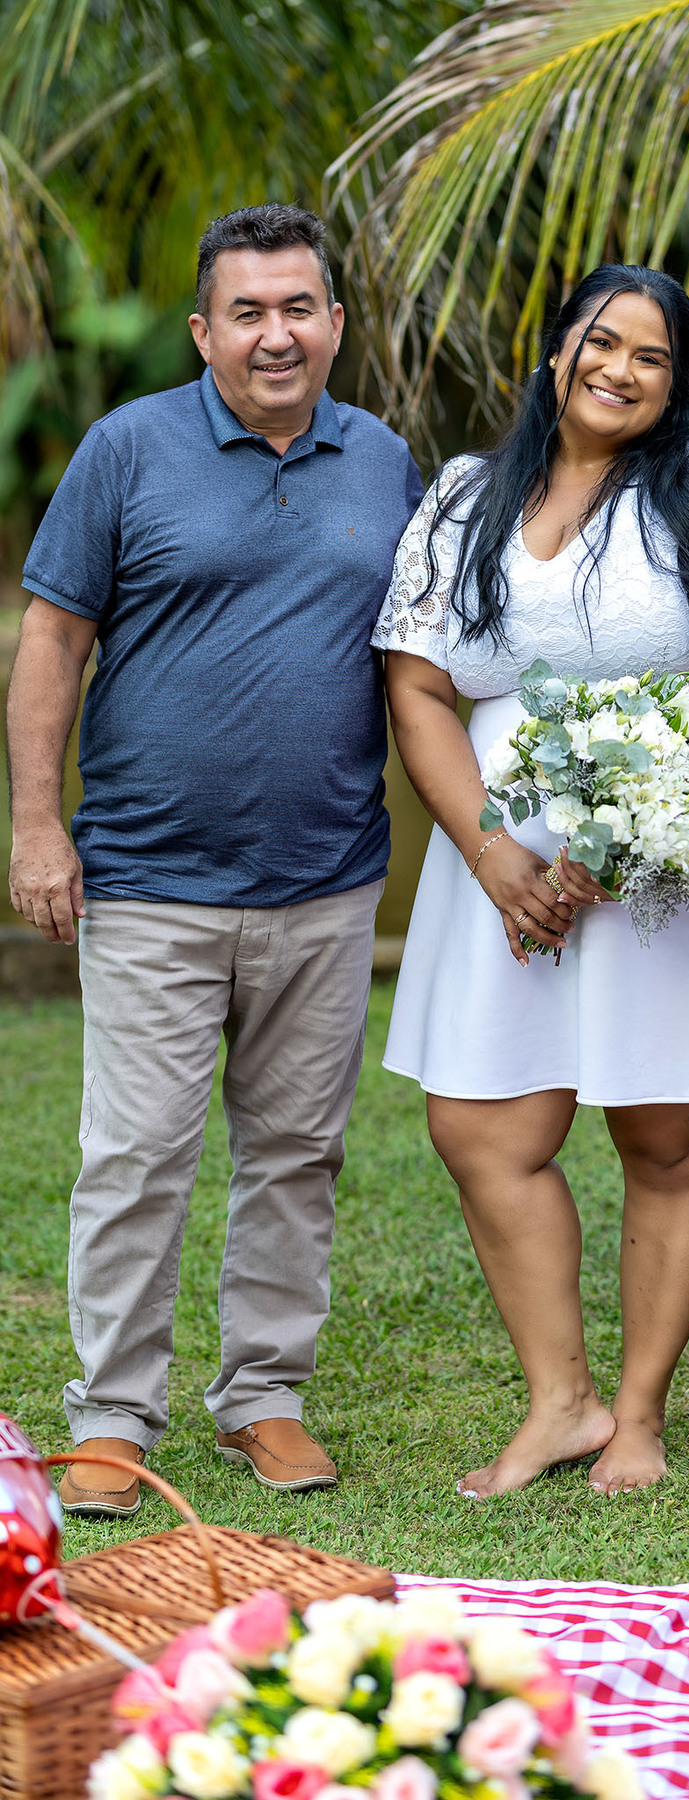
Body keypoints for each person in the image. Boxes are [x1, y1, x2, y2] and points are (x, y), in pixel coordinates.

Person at [372, 263, 689, 1498]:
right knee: (480, 1122)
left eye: (652, 356)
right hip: (502, 852)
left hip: (672, 844)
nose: (621, 370)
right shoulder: (466, 496)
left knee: (666, 1132)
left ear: (676, 383)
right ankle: (558, 1401)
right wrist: (493, 853)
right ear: (556, 347)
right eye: (602, 342)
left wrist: (634, 836)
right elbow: (418, 685)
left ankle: (637, 1416)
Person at [6, 203, 424, 1515]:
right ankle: (114, 1416)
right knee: (136, 1160)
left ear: (335, 323)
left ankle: (264, 1398)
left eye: (298, 308)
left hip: (328, 879)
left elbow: (421, 666)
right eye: (247, 312)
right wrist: (36, 825)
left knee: (296, 1155)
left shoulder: (385, 463)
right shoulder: (128, 450)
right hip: (149, 880)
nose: (275, 334)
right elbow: (52, 641)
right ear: (203, 331)